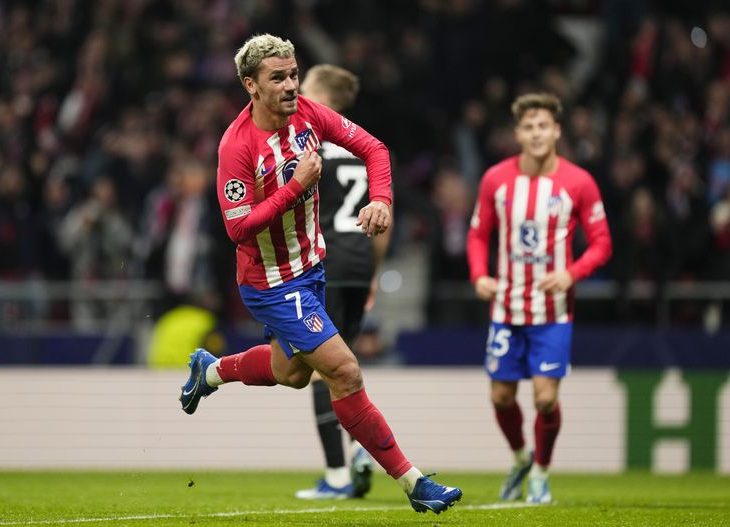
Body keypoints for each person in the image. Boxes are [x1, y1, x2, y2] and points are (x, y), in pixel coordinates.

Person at [178, 34, 462, 514]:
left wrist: (381, 199)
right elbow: (238, 228)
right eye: (278, 78)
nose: (291, 85)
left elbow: (374, 148)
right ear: (250, 84)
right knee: (345, 372)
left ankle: (211, 370)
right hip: (270, 282)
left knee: (290, 373)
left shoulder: (310, 113)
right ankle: (414, 484)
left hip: (312, 269)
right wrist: (295, 187)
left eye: (293, 74)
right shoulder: (236, 146)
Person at [467, 93, 612, 504]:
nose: (536, 133)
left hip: (552, 312)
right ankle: (520, 459)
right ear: (517, 133)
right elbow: (478, 234)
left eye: (543, 126)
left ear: (557, 130)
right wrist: (479, 275)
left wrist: (571, 273)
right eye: (528, 127)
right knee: (500, 396)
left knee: (545, 398)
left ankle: (542, 475)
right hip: (506, 306)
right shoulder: (496, 179)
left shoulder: (579, 182)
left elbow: (602, 244)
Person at [293, 64, 390, 500]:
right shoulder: (363, 150)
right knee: (344, 367)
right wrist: (372, 273)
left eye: (304, 87)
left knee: (321, 369)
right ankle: (357, 453)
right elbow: (385, 219)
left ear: (319, 94)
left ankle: (340, 471)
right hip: (360, 265)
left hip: (325, 264)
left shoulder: (312, 148)